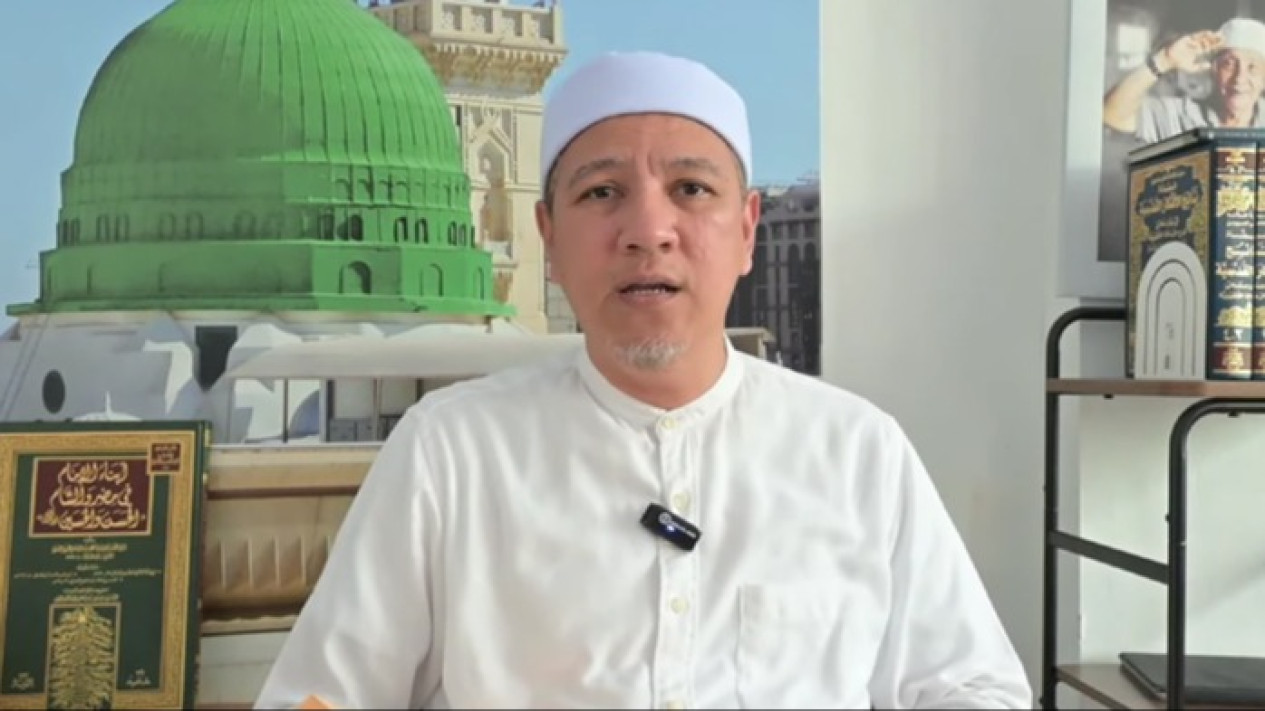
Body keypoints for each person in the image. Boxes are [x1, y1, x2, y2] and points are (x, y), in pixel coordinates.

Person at [253, 51, 1031, 709]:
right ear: (549, 237)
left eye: (690, 189)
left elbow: (972, 685)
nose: (648, 231)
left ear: (746, 230)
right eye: (602, 193)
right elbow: (321, 693)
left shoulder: (855, 450)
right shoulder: (451, 451)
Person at [1103, 17, 1265, 143]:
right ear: (1214, 70)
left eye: (1253, 67)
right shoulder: (1180, 115)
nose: (1240, 77)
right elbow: (1112, 114)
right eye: (1229, 64)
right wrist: (1165, 60)